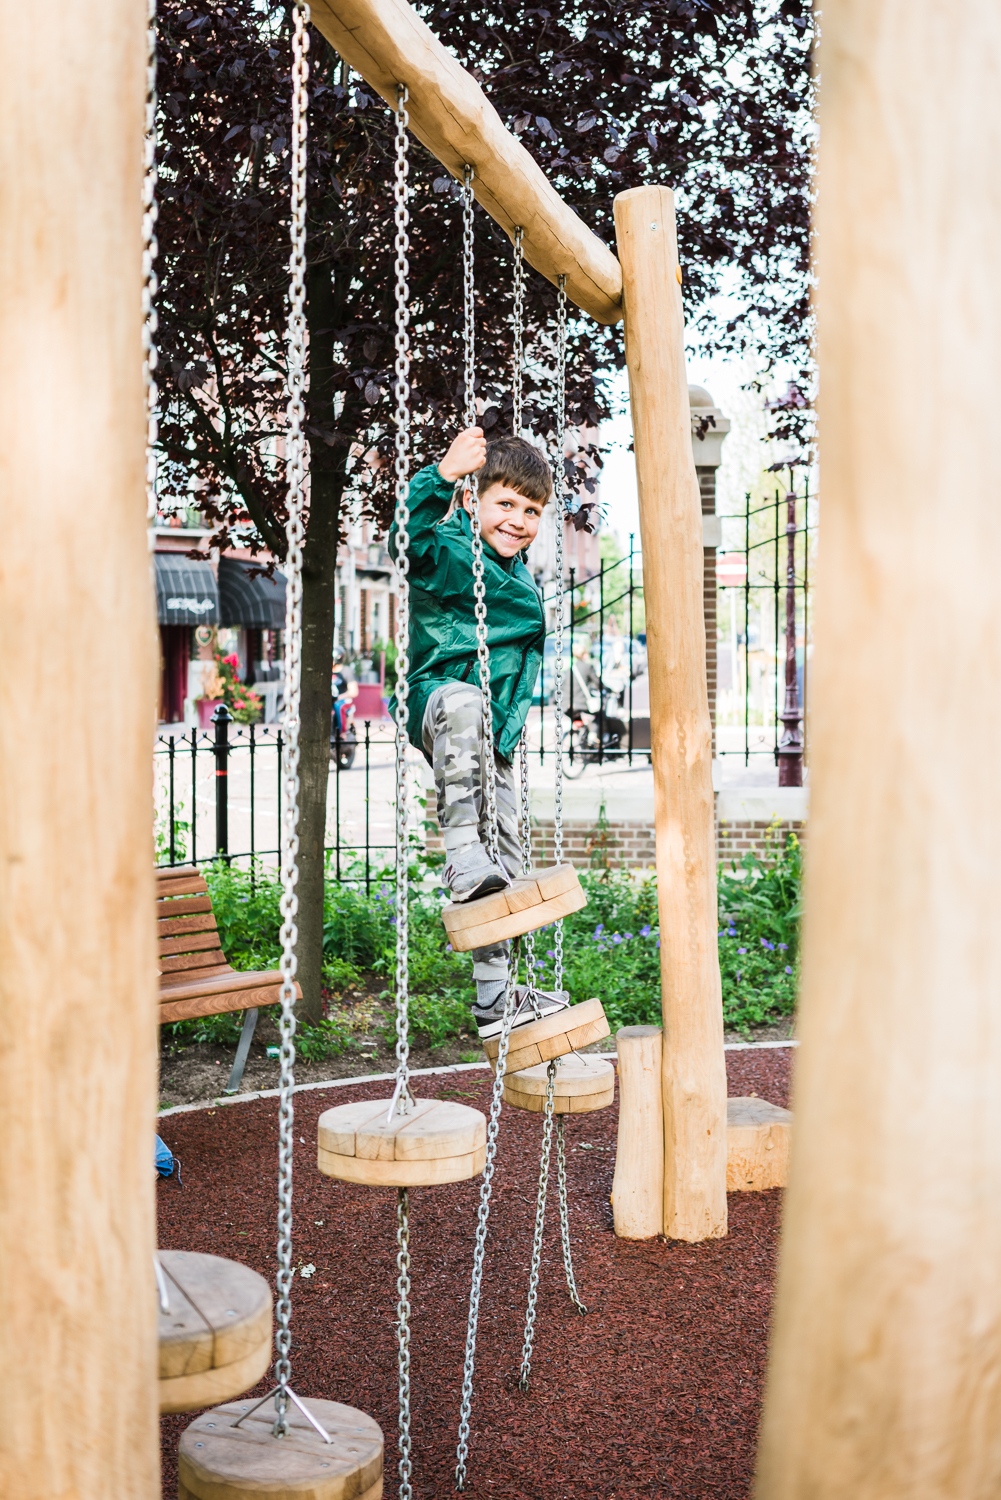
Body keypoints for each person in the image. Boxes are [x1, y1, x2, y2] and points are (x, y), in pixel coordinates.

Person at [389, 426, 568, 1039]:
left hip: (489, 738)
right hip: (439, 702)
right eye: (506, 503)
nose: (519, 519)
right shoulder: (448, 550)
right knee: (465, 701)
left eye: (532, 510)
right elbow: (404, 542)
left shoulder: (520, 578)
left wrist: (510, 736)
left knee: (509, 856)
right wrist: (439, 477)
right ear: (474, 502)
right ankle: (461, 855)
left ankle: (495, 999)